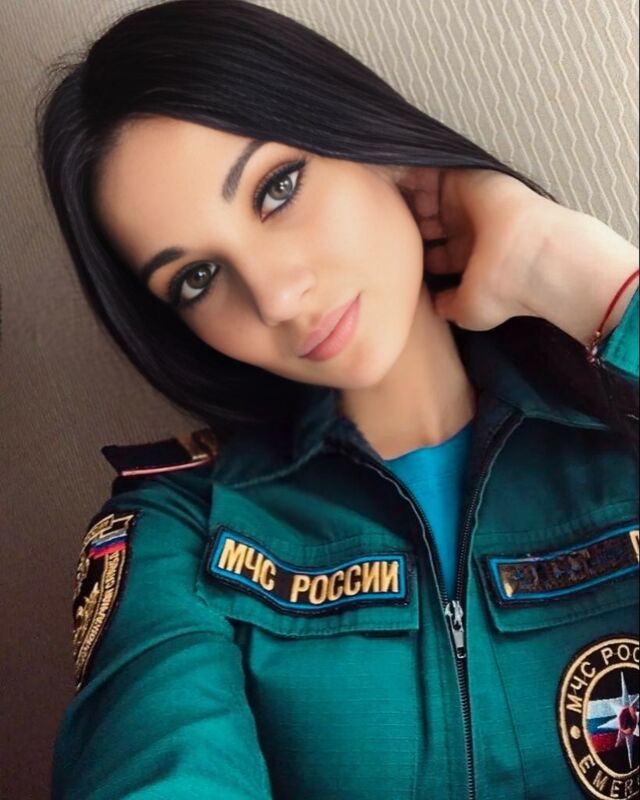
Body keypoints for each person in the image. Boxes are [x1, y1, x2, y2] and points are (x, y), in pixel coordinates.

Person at [36, 0, 639, 797]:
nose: (276, 297)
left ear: (370, 143)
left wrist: (583, 277)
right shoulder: (181, 531)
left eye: (277, 188)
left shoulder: (619, 434)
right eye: (198, 278)